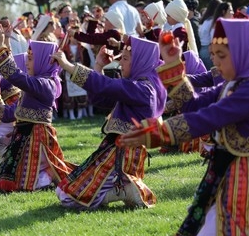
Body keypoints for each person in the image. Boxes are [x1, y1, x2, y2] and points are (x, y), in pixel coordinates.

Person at [119, 18, 249, 236]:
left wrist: (159, 133)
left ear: (244, 51)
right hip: (231, 171)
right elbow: (194, 103)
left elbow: (208, 117)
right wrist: (172, 63)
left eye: (222, 55)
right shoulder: (235, 83)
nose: (215, 61)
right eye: (213, 54)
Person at [52, 36, 166, 209]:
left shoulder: (144, 89)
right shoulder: (138, 85)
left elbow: (106, 86)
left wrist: (67, 66)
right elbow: (101, 99)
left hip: (124, 155)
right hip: (114, 148)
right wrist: (98, 66)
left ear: (140, 61)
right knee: (64, 191)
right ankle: (122, 187)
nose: (120, 65)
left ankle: (124, 187)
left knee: (69, 198)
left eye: (125, 59)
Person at [0, 31, 74, 192]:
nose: (27, 62)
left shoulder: (46, 84)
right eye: (27, 57)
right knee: (8, 181)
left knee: (29, 180)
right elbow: (8, 114)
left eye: (31, 58)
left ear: (43, 60)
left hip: (37, 137)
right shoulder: (36, 83)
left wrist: (0, 47)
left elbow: (17, 77)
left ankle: (47, 178)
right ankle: (47, 177)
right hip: (23, 135)